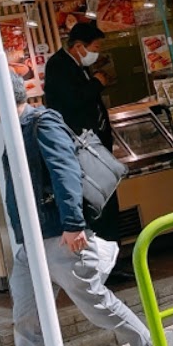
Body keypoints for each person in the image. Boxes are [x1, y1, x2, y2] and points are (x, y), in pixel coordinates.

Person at [0, 78, 160, 346]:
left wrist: (73, 224)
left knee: (94, 303)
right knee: (25, 316)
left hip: (57, 235)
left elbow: (65, 171)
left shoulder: (41, 122)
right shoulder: (18, 129)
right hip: (31, 243)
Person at [44, 20, 122, 244]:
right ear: (79, 46)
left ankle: (111, 251)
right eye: (95, 49)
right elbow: (72, 101)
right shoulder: (58, 66)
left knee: (107, 196)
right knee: (97, 198)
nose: (96, 54)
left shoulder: (79, 66)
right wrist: (97, 83)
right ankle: (103, 252)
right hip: (82, 146)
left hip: (95, 144)